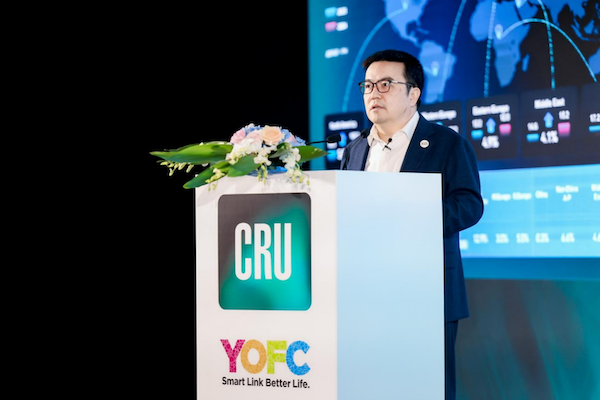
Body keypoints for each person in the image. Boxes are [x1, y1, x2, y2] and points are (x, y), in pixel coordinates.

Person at [340, 49, 484, 400]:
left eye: (386, 84)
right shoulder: (355, 149)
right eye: (368, 85)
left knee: (428, 389)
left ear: (413, 93)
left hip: (427, 293)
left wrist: (409, 216)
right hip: (365, 295)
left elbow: (469, 205)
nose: (374, 93)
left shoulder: (447, 144)